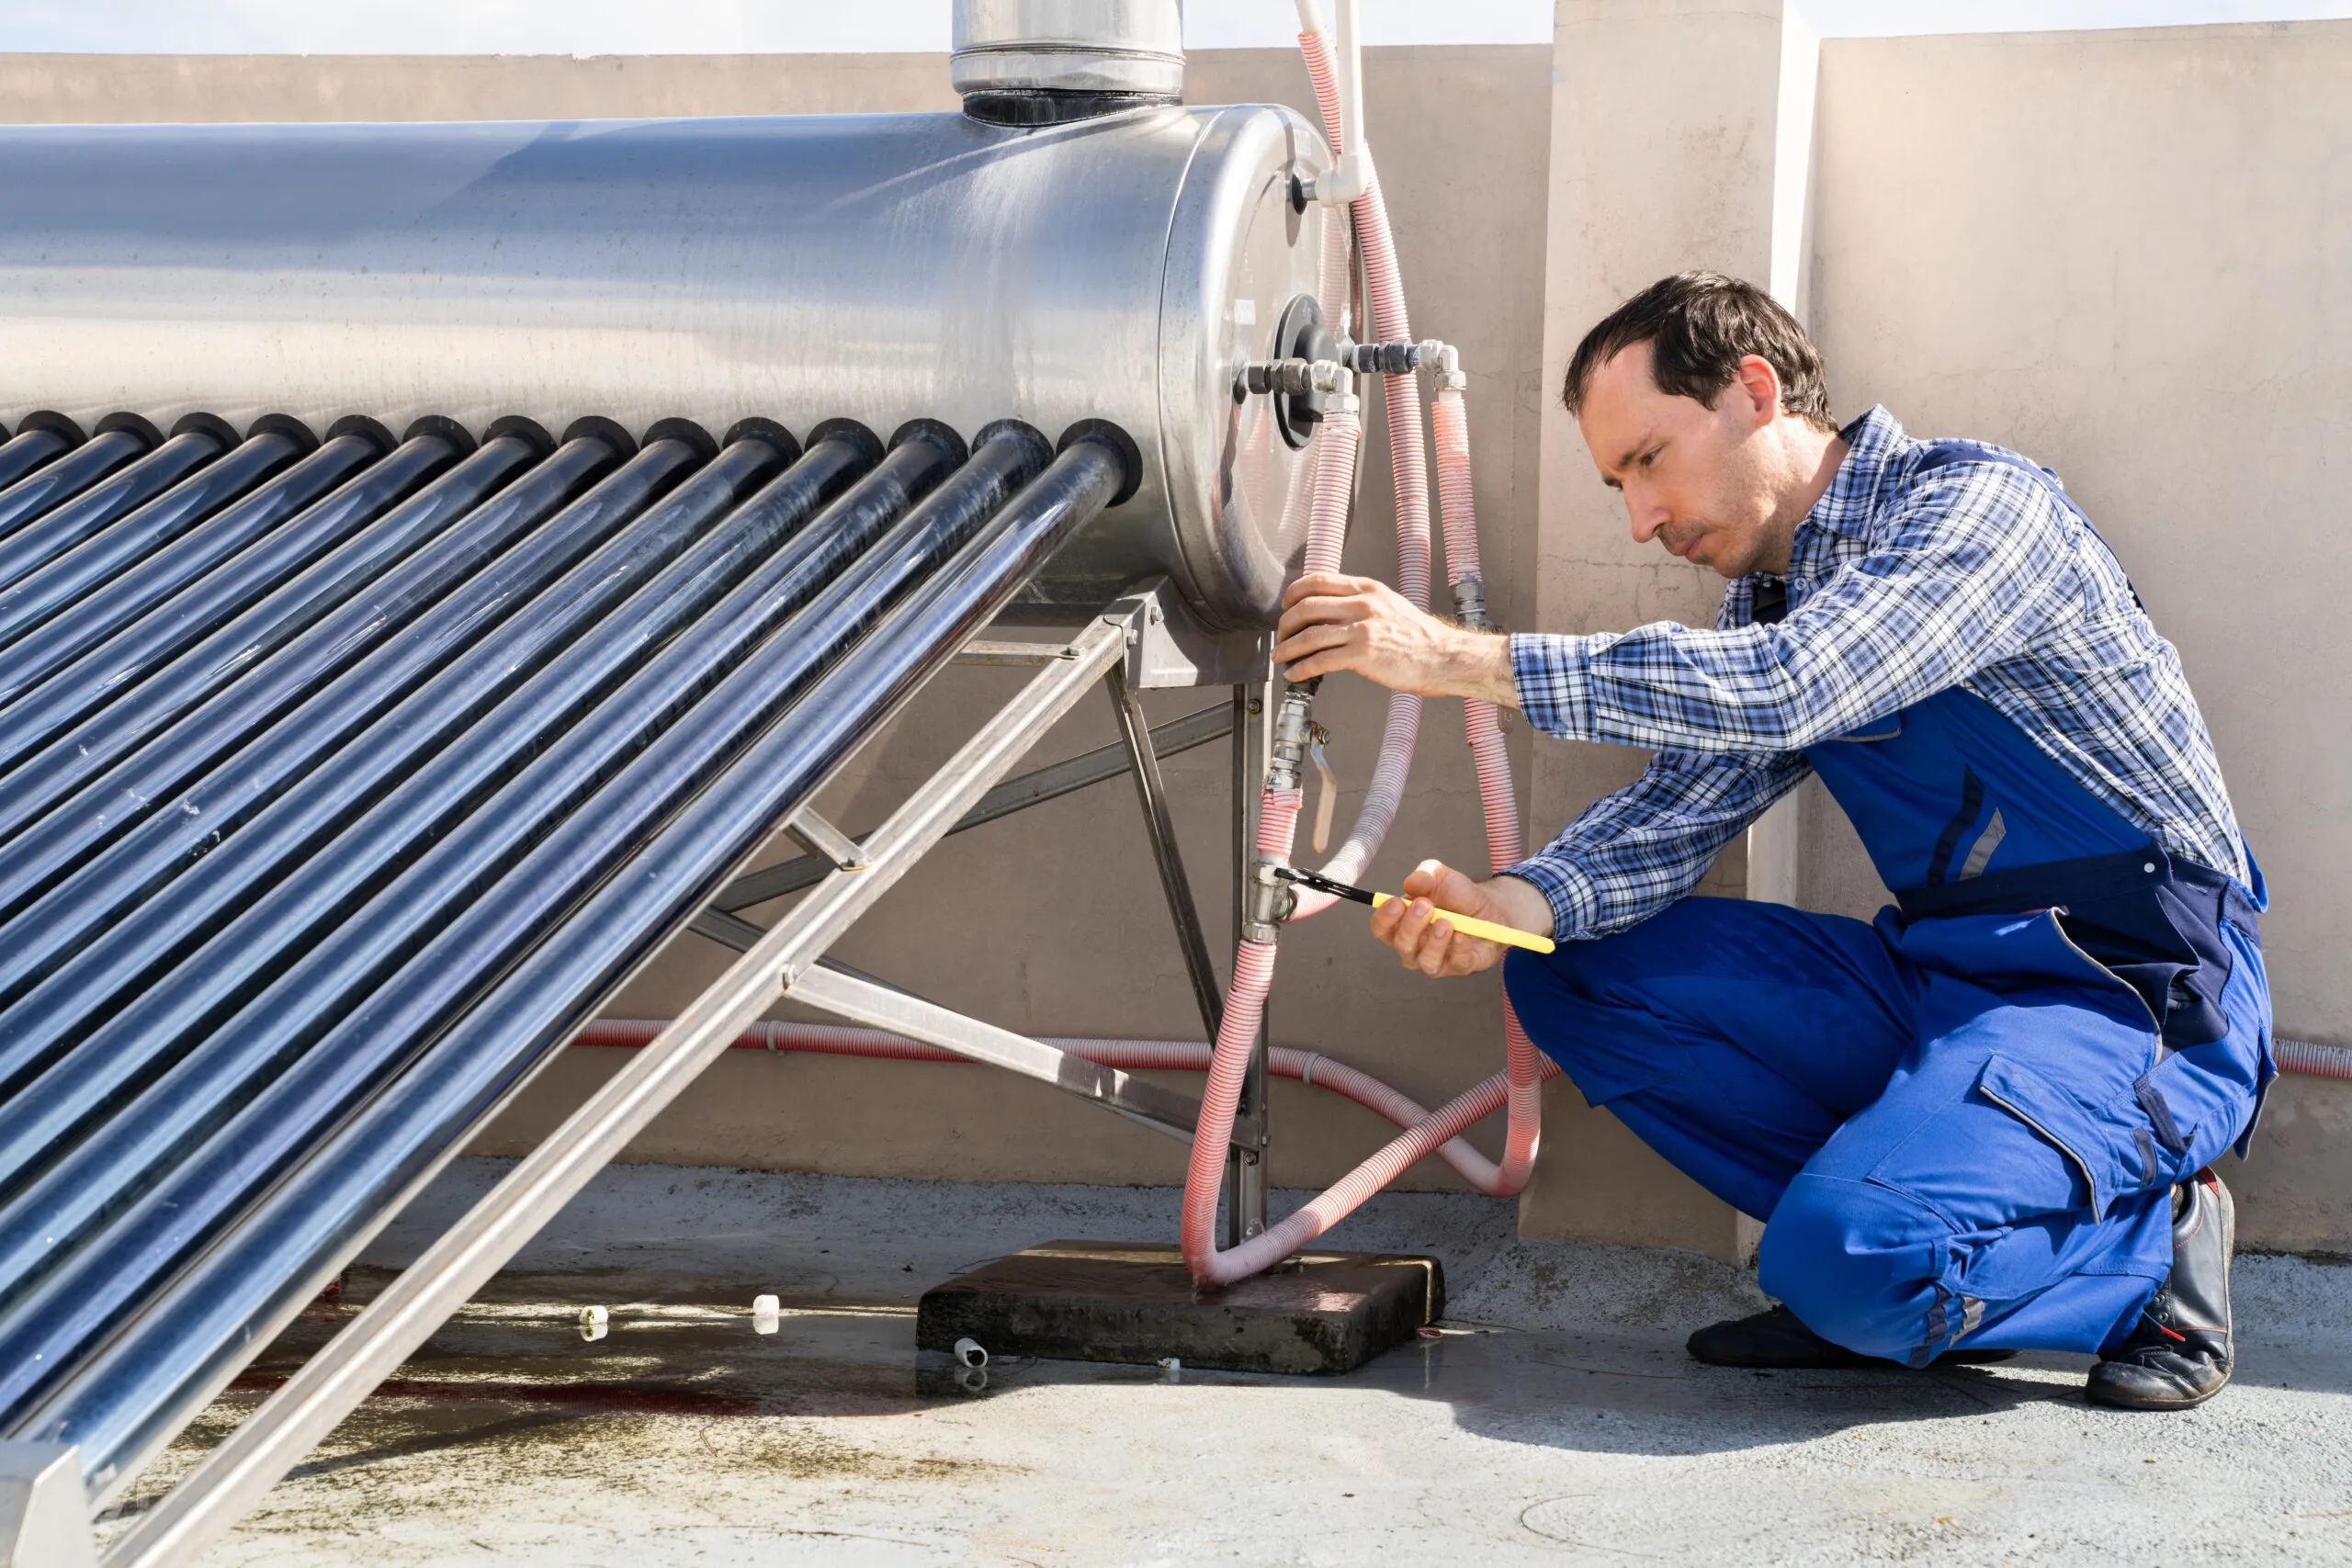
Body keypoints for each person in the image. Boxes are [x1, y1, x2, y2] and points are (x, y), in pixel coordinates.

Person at [1272, 271, 2271, 1410]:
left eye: (1645, 460)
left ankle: (2147, 1252)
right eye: (1617, 484)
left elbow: (1792, 692)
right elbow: (1684, 799)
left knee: (1850, 1262)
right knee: (1576, 973)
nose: (1640, 519)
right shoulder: (1772, 597)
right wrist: (1522, 903)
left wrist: (1456, 660)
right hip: (1947, 984)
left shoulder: (1979, 515)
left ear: (1755, 391)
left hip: (2131, 997)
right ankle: (1886, 1249)